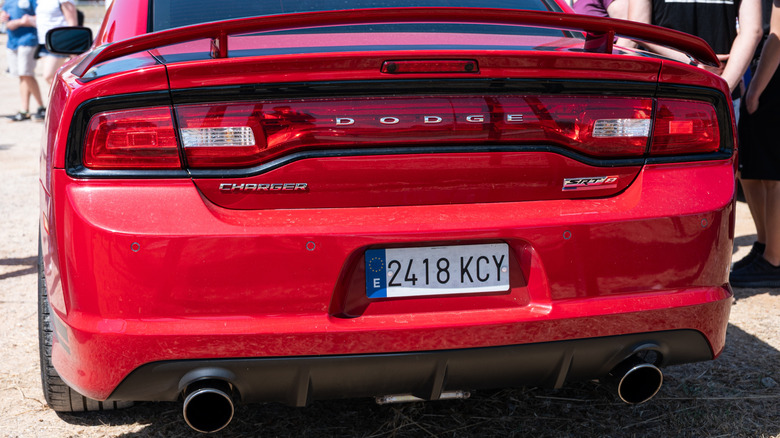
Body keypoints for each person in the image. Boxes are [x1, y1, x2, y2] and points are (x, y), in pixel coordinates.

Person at [729, 0, 780, 288]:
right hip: (768, 73)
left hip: (773, 76)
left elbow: (778, 36)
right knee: (754, 169)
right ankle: (765, 247)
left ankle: (774, 259)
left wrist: (755, 89)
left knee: (773, 175)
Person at [626, 0, 763, 95]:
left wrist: (723, 87)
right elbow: (752, 31)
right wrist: (723, 88)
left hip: (663, 87)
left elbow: (638, 29)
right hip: (717, 83)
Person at [1, 0, 45, 121]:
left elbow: (41, 15)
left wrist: (20, 22)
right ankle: (24, 110)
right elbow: (4, 15)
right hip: (12, 42)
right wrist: (2, 17)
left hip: (28, 40)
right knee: (22, 76)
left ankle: (41, 107)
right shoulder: (8, 1)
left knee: (26, 74)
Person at [33, 0, 77, 86]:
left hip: (59, 42)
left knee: (49, 76)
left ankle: (68, 97)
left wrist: (72, 48)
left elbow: (73, 23)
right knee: (54, 78)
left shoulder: (64, 1)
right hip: (44, 42)